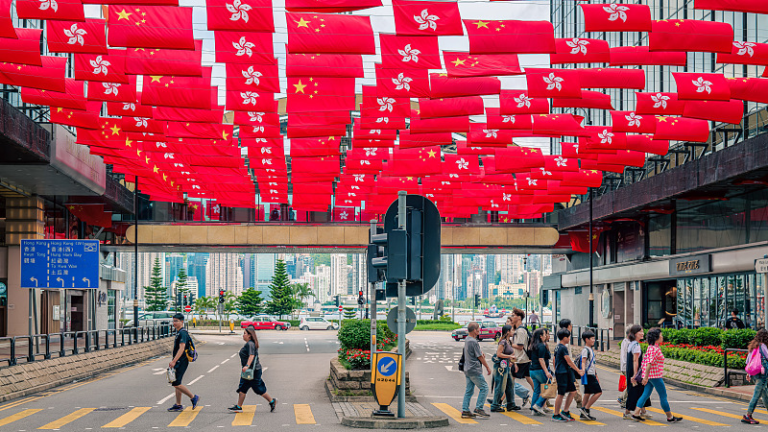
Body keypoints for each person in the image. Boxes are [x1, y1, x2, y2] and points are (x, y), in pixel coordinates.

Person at [631, 329, 682, 423]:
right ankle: (670, 417)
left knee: (645, 394)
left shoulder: (651, 347)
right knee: (663, 396)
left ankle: (636, 413)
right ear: (656, 337)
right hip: (655, 376)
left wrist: (646, 377)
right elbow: (649, 363)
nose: (662, 337)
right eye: (661, 335)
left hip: (650, 376)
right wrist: (645, 377)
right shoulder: (654, 349)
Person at [229, 326, 276, 413]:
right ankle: (239, 407)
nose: (243, 335)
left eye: (245, 334)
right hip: (249, 371)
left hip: (252, 371)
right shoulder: (250, 343)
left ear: (250, 335)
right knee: (243, 388)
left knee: (258, 388)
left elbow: (252, 355)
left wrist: (247, 365)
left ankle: (272, 401)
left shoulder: (250, 344)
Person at [490, 325, 531, 412]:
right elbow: (499, 354)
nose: (514, 332)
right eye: (512, 330)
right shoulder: (503, 342)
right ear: (508, 332)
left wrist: (513, 363)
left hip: (507, 366)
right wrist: (510, 356)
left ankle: (510, 404)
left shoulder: (509, 342)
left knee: (510, 385)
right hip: (500, 367)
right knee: (500, 386)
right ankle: (495, 405)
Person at [168, 313, 200, 412]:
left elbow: (182, 348)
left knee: (176, 383)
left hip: (181, 361)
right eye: (173, 321)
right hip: (179, 360)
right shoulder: (179, 332)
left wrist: (174, 361)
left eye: (176, 321)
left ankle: (193, 397)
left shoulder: (182, 333)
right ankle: (178, 404)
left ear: (182, 321)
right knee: (177, 382)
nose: (174, 323)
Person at [461, 322, 492, 419]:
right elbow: (479, 357)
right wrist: (487, 367)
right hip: (474, 369)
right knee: (484, 388)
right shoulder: (473, 341)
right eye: (478, 328)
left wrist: (480, 353)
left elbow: (476, 353)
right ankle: (479, 408)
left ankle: (465, 410)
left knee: (469, 390)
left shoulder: (468, 339)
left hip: (467, 369)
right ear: (474, 330)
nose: (479, 330)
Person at [624, 325, 651, 421]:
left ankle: (642, 411)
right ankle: (627, 412)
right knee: (635, 391)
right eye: (641, 331)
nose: (643, 333)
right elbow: (635, 360)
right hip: (636, 371)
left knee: (639, 390)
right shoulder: (636, 345)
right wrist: (635, 375)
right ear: (635, 333)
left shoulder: (631, 343)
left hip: (631, 370)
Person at [742, 329, 768, 424]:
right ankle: (748, 415)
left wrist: (748, 373)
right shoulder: (763, 346)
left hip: (753, 373)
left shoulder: (753, 346)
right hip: (761, 374)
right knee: (757, 395)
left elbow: (748, 360)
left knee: (765, 393)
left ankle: (749, 415)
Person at [552, 328, 578, 422]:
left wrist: (556, 369)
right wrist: (578, 370)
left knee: (573, 391)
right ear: (564, 338)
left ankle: (565, 411)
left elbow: (554, 359)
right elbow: (569, 361)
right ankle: (555, 414)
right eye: (568, 337)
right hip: (562, 373)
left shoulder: (558, 346)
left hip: (564, 372)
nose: (569, 338)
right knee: (561, 394)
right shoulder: (563, 347)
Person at [509, 308, 534, 401]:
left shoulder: (520, 331)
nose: (512, 317)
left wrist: (510, 344)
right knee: (529, 380)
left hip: (520, 359)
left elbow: (520, 346)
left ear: (519, 318)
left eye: (513, 315)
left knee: (510, 381)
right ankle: (542, 400)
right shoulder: (519, 329)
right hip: (523, 359)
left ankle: (499, 401)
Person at [558, 319, 582, 409]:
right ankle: (579, 402)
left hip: (563, 368)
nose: (572, 327)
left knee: (569, 389)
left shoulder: (562, 339)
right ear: (568, 326)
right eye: (570, 325)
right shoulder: (565, 343)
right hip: (567, 368)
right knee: (572, 387)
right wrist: (577, 369)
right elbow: (567, 359)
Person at [529, 328, 552, 416]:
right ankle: (538, 405)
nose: (546, 336)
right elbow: (541, 359)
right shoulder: (541, 346)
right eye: (544, 334)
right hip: (539, 370)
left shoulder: (533, 345)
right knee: (548, 387)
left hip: (532, 370)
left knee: (537, 390)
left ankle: (533, 408)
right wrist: (546, 372)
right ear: (540, 336)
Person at [579, 331, 601, 421]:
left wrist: (596, 375)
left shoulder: (590, 349)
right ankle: (586, 408)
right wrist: (583, 370)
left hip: (591, 374)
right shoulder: (586, 350)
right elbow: (583, 361)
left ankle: (583, 413)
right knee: (598, 392)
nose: (594, 340)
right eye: (592, 339)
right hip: (588, 374)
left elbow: (592, 364)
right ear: (586, 339)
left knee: (587, 393)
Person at [618, 325, 634, 409]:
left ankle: (621, 397)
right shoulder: (628, 343)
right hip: (627, 366)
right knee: (630, 384)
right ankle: (623, 402)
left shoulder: (625, 341)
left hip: (624, 366)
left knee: (629, 384)